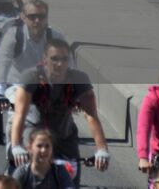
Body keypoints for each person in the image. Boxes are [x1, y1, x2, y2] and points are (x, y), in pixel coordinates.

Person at [9, 38, 111, 176]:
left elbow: (91, 115)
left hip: (63, 134)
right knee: (23, 169)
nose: (60, 64)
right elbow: (19, 114)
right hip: (31, 130)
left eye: (64, 59)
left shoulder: (79, 79)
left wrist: (102, 149)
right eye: (54, 59)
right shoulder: (30, 77)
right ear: (45, 59)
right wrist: (16, 146)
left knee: (71, 175)